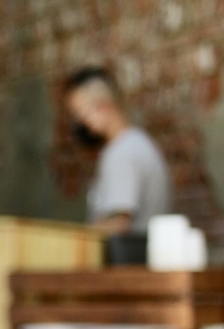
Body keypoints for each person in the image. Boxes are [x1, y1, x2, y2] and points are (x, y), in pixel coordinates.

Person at [64, 66, 171, 236]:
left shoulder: (122, 153)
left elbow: (118, 224)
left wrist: (77, 238)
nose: (81, 125)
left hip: (129, 253)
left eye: (81, 115)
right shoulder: (138, 143)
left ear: (104, 106)